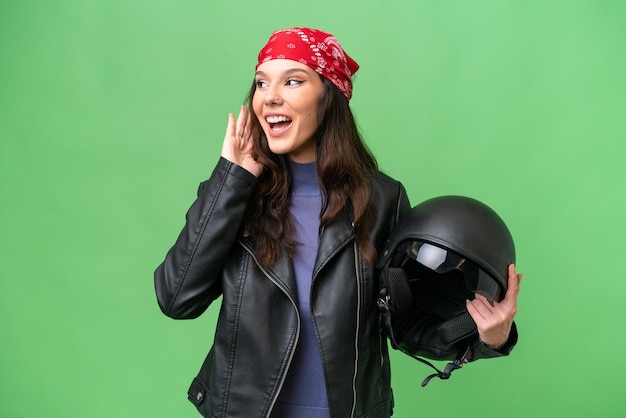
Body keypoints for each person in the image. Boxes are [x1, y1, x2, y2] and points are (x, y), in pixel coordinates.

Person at [154, 27, 522, 418]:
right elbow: (177, 299)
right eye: (261, 83)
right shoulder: (233, 194)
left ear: (329, 96)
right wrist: (231, 179)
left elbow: (403, 320)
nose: (270, 96)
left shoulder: (382, 200)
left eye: (293, 81)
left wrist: (486, 337)